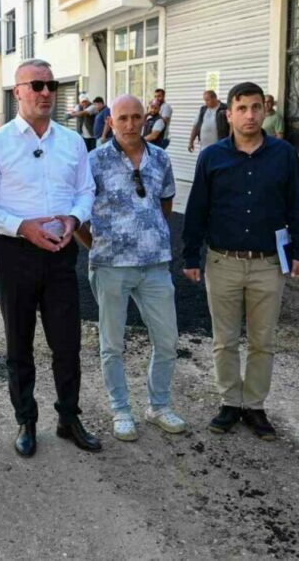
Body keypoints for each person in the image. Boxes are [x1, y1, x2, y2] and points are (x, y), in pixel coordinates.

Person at [0, 58, 101, 457]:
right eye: (37, 85)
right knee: (19, 344)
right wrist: (22, 226)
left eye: (51, 85)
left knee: (67, 343)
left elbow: (86, 190)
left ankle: (68, 417)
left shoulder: (72, 142)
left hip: (60, 254)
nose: (46, 92)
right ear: (18, 92)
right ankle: (26, 420)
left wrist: (74, 217)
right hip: (16, 255)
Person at [181, 81, 299, 441]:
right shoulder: (212, 157)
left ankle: (254, 406)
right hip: (223, 263)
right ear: (229, 114)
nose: (250, 115)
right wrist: (191, 255)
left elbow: (296, 204)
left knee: (261, 340)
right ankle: (229, 402)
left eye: (256, 107)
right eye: (242, 108)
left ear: (265, 111)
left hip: (268, 264)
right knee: (224, 340)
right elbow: (197, 209)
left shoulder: (283, 155)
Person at [75, 95, 187, 442]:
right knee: (112, 344)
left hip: (154, 265)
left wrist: (147, 235)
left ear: (145, 119)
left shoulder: (161, 159)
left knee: (167, 340)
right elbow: (77, 214)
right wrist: (98, 247)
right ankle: (121, 409)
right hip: (110, 267)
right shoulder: (93, 162)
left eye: (136, 117)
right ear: (110, 121)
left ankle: (158, 405)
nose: (130, 124)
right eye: (122, 118)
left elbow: (164, 204)